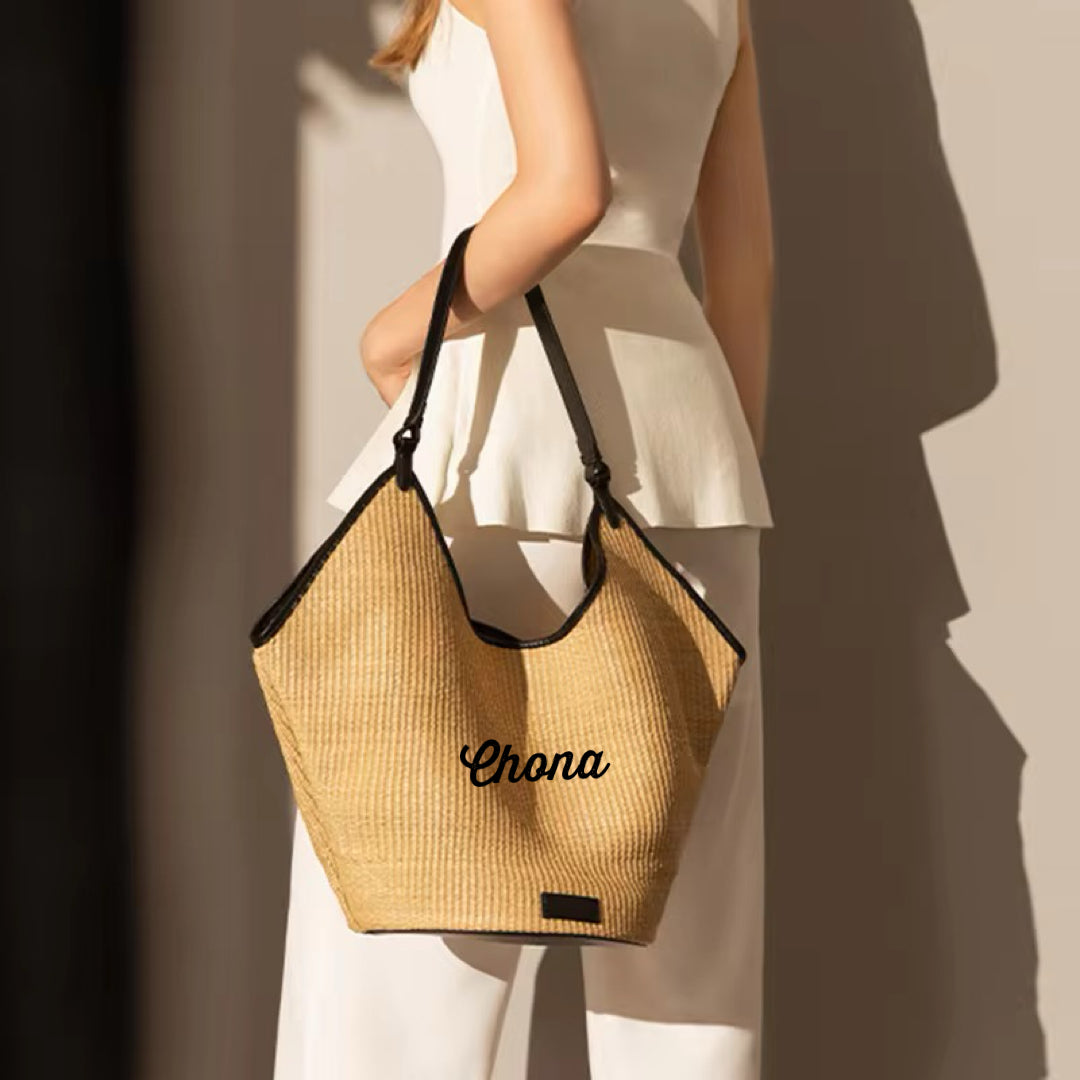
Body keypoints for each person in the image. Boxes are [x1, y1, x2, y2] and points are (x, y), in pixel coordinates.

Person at [274, 0, 775, 1076]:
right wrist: (711, 469)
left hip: (495, 454)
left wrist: (390, 338)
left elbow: (566, 192)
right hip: (699, 465)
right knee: (689, 973)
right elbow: (746, 275)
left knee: (402, 965)